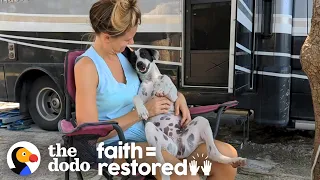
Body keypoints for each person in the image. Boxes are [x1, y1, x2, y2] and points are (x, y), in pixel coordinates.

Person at [74, 0, 239, 179]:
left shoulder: (126, 55)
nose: (132, 42)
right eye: (127, 38)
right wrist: (142, 112)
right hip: (118, 145)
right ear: (107, 37)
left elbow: (155, 81)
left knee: (227, 160)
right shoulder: (87, 67)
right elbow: (88, 134)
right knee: (187, 176)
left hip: (159, 133)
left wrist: (179, 97)